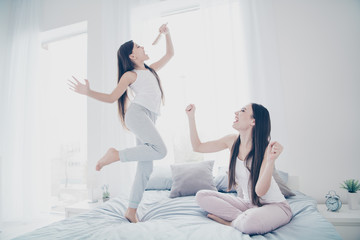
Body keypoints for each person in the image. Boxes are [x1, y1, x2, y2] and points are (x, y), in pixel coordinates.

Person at [68, 24, 174, 223]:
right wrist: (88, 92)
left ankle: (131, 211)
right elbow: (111, 97)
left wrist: (167, 34)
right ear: (132, 56)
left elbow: (170, 54)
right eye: (139, 46)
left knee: (145, 168)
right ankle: (116, 155)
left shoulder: (150, 70)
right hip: (137, 115)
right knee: (160, 150)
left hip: (149, 117)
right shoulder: (130, 75)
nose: (143, 48)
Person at [185, 103, 292, 235]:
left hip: (276, 206)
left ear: (253, 121)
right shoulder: (231, 141)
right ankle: (242, 218)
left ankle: (233, 222)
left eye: (242, 110)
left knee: (249, 223)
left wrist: (270, 161)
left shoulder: (265, 149)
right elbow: (198, 147)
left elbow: (260, 191)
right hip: (248, 204)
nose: (236, 112)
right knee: (201, 196)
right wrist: (191, 117)